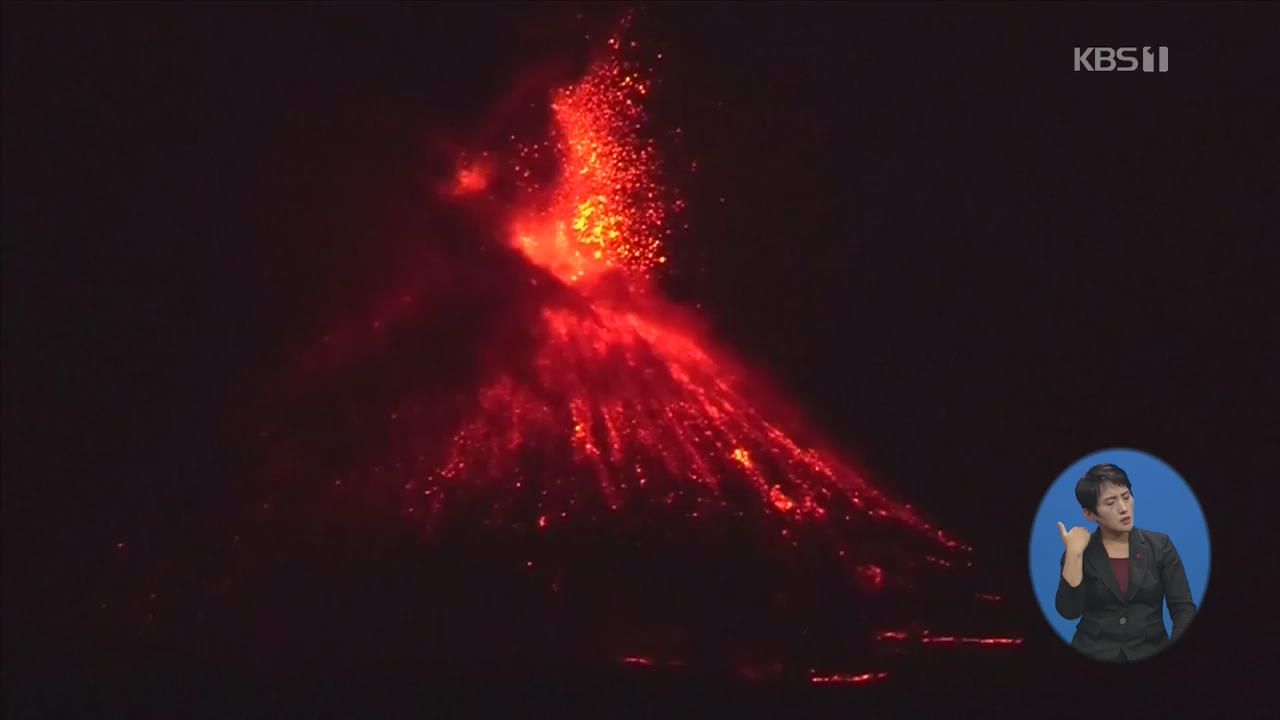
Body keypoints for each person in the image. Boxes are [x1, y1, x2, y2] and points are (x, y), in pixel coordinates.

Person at [1054, 464, 1196, 662]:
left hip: (1151, 650)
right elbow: (1069, 612)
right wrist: (1074, 554)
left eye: (1126, 497)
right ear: (1090, 514)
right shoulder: (1080, 551)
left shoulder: (1160, 546)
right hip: (1093, 652)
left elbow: (1183, 609)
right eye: (1111, 502)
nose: (1123, 508)